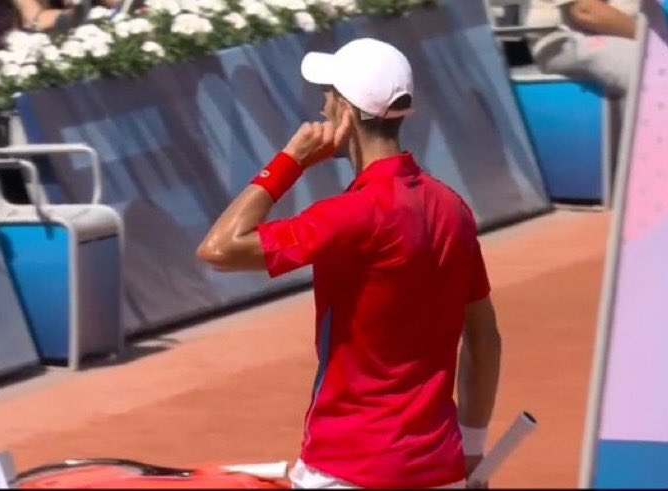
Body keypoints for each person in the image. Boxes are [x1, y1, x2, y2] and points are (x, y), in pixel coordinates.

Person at [196, 38, 502, 489]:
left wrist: (288, 163)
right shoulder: (453, 207)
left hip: (348, 468)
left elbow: (219, 248)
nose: (321, 106)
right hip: (439, 468)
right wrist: (472, 449)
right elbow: (484, 340)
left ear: (345, 109)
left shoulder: (351, 215)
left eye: (328, 95)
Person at [525, 0, 640, 96]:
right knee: (642, 67)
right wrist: (649, 39)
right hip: (565, 41)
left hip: (628, 38)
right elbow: (586, 11)